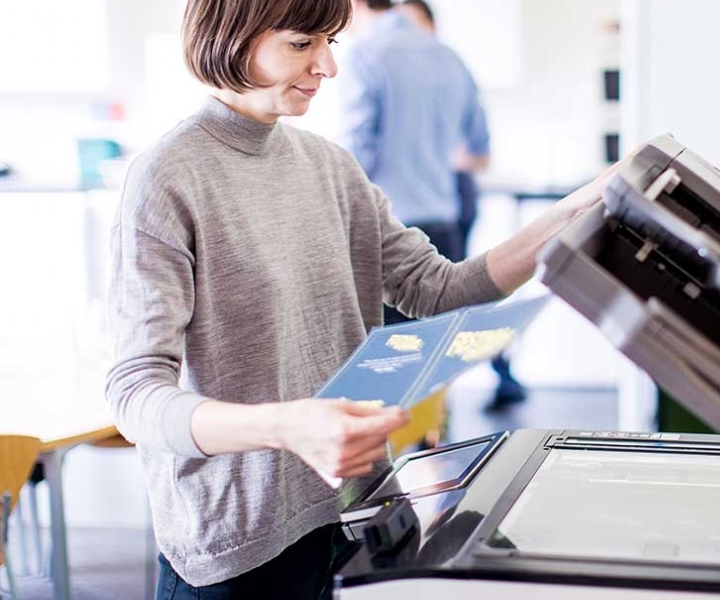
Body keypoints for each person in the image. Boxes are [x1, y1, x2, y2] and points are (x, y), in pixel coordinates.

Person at [105, 0, 618, 597]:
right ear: (230, 36)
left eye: (331, 43)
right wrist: (287, 426)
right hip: (238, 545)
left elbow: (441, 288)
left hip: (349, 511)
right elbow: (136, 396)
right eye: (301, 44)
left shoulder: (330, 166)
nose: (328, 67)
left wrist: (582, 208)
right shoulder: (167, 179)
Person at [345, 0, 526, 410]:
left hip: (387, 229)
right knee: (432, 358)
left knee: (387, 370)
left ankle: (394, 465)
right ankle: (436, 456)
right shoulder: (449, 56)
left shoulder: (365, 54)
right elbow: (478, 148)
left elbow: (357, 156)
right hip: (442, 220)